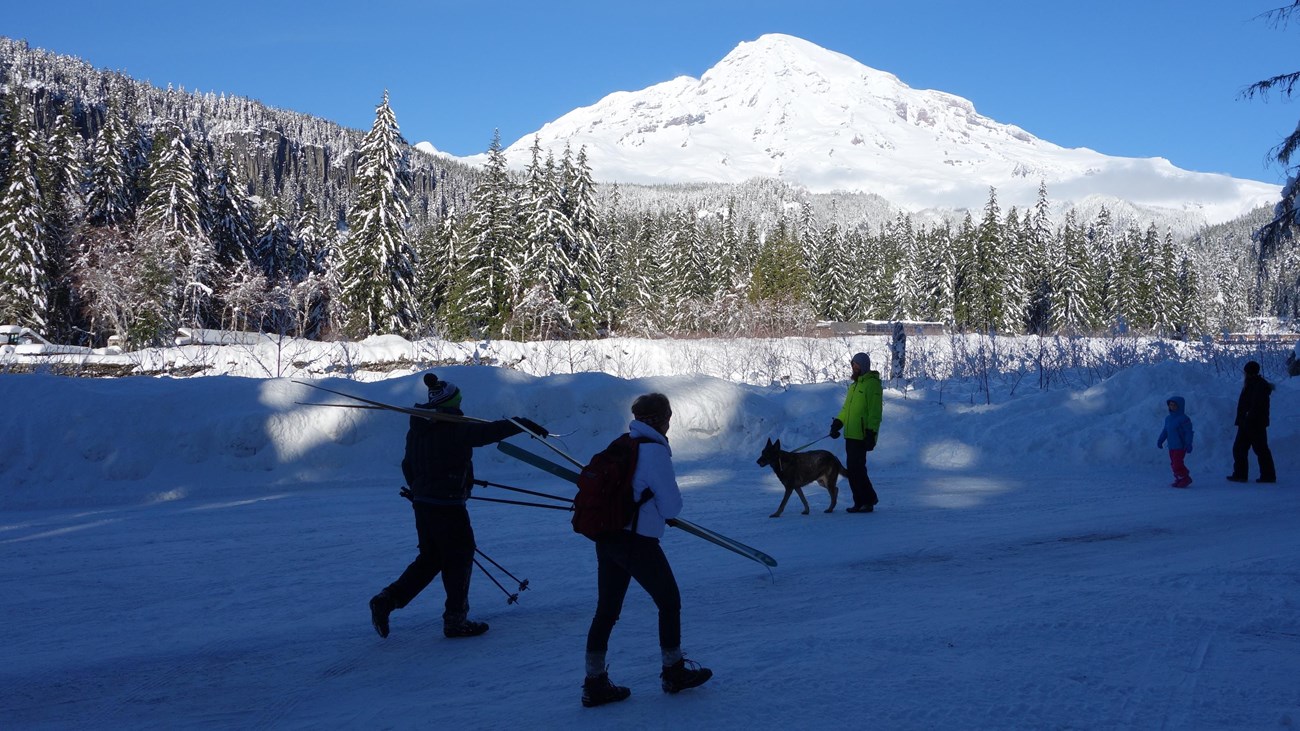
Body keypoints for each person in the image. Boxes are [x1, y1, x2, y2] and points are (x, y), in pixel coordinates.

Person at [369, 373, 545, 639]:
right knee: (460, 556)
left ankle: (387, 599)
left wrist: (419, 491)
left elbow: (408, 465)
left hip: (424, 503)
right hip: (447, 506)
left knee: (431, 559)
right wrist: (520, 424)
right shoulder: (453, 427)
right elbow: (488, 432)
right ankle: (455, 620)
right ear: (453, 402)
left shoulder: (418, 427)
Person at [581, 392, 712, 708]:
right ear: (664, 419)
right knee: (669, 602)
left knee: (607, 610)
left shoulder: (624, 444)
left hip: (608, 537)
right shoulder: (653, 452)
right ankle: (673, 671)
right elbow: (672, 506)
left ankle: (594, 682)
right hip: (636, 541)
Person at [829, 352, 883, 512]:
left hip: (862, 435)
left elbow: (875, 412)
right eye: (853, 365)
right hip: (850, 435)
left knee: (858, 469)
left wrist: (871, 433)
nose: (854, 367)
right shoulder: (854, 386)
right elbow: (846, 409)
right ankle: (859, 502)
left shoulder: (872, 385)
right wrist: (838, 423)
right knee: (852, 470)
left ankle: (868, 500)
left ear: (864, 366)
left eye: (857, 365)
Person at [1228, 360, 1277, 484]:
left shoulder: (1258, 385)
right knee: (1240, 449)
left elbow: (1257, 406)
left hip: (1254, 423)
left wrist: (1248, 417)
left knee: (1258, 449)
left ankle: (1267, 476)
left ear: (1249, 372)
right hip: (1248, 423)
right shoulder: (1252, 384)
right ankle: (1241, 474)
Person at [1156, 395, 1194, 488]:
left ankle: (1185, 478)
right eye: (1170, 405)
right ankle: (1180, 478)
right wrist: (1160, 440)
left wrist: (1188, 444)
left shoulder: (1184, 419)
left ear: (1180, 406)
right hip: (1172, 446)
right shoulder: (1168, 419)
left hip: (1181, 446)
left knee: (1177, 463)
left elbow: (1188, 432)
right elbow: (1165, 431)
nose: (1172, 406)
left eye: (1174, 405)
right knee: (1174, 463)